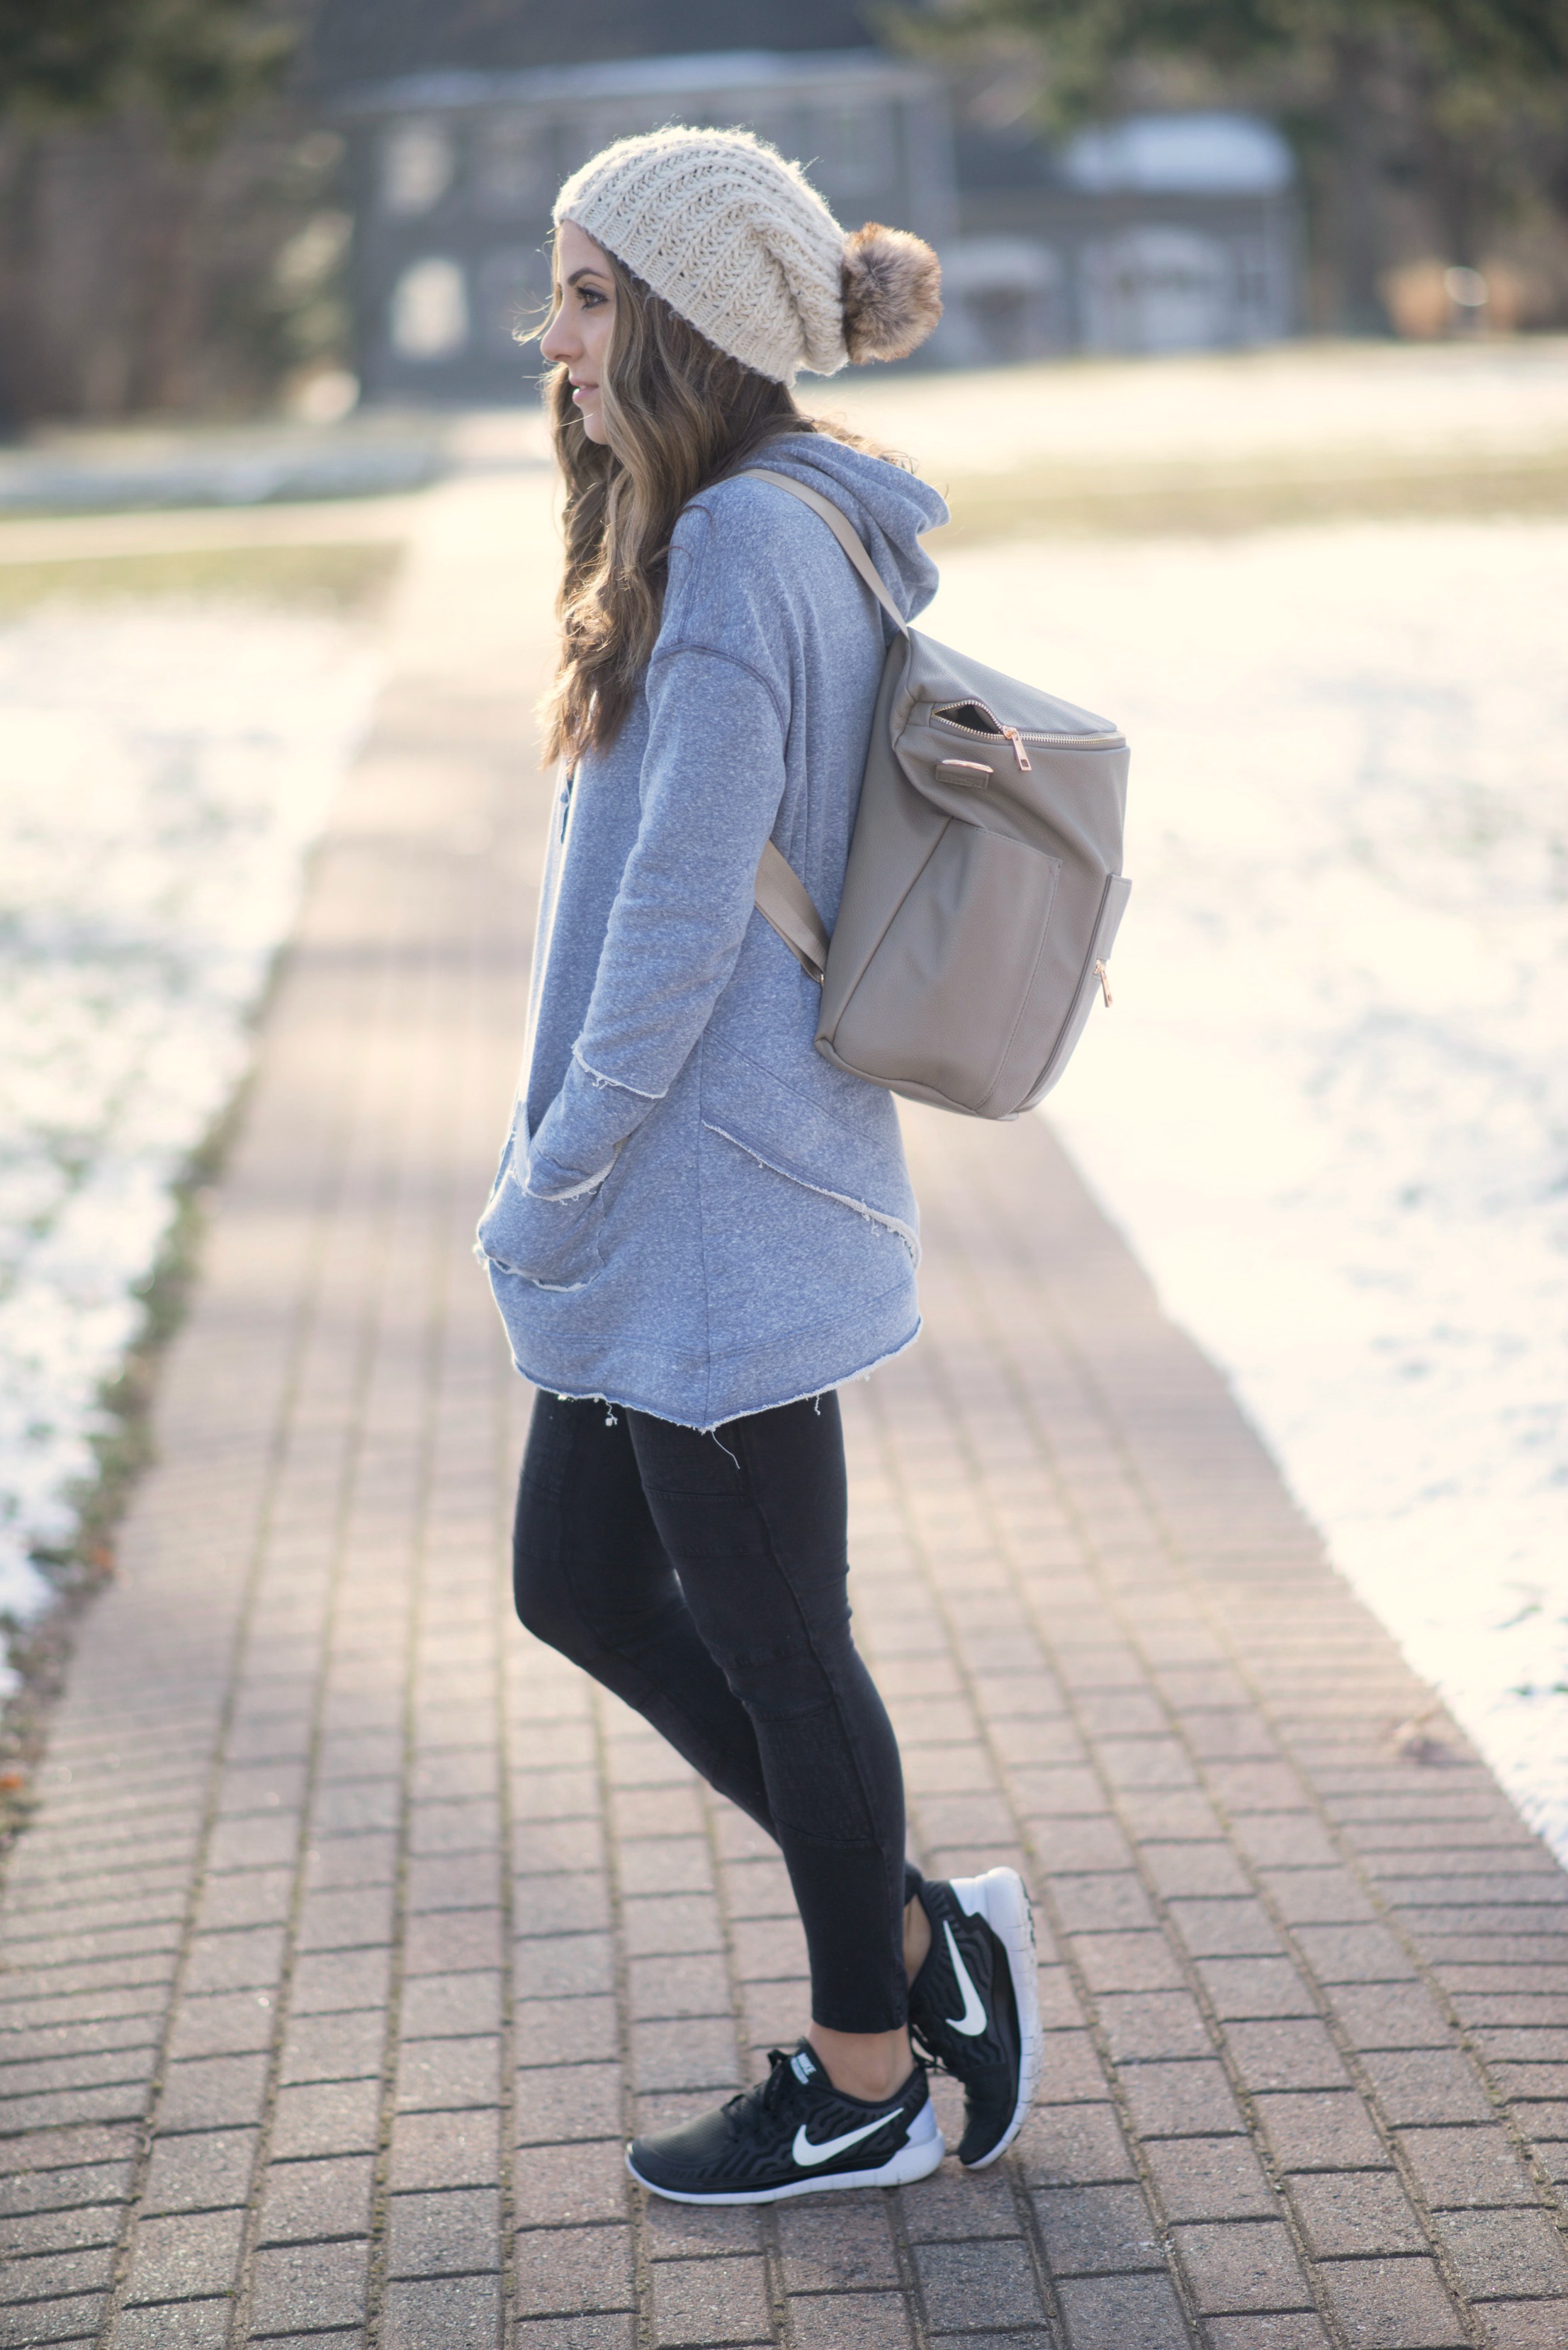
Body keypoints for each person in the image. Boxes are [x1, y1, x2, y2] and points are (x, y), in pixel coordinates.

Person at [477, 125, 1042, 2206]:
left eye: (595, 297)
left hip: (690, 1191)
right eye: (560, 291)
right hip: (705, 1188)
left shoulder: (732, 551)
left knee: (783, 1636)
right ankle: (919, 1940)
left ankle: (868, 2066)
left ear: (697, 318)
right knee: (583, 1579)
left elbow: (678, 922)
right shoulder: (770, 512)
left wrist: (558, 1172)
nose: (554, 339)